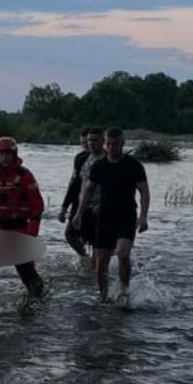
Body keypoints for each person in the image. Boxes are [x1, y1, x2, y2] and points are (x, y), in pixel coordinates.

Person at [73, 127, 150, 306]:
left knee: (123, 253)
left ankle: (124, 289)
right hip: (105, 218)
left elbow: (144, 192)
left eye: (115, 144)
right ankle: (103, 297)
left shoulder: (134, 165)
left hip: (126, 216)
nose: (112, 147)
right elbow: (88, 191)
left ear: (123, 144)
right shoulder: (99, 166)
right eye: (108, 144)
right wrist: (79, 213)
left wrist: (143, 216)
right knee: (101, 265)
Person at [0, 136, 45, 299]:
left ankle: (38, 300)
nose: (4, 157)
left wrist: (31, 235)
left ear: (14, 154)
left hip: (19, 229)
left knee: (28, 273)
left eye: (7, 154)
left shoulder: (25, 176)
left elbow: (37, 208)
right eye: (1, 154)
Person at [58, 128, 91, 257]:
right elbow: (74, 184)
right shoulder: (80, 158)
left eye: (87, 142)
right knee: (70, 234)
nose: (86, 146)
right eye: (83, 143)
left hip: (97, 205)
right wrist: (64, 207)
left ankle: (96, 262)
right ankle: (85, 258)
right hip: (78, 201)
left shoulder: (105, 157)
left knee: (91, 237)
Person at [75, 127, 106, 263]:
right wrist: (77, 210)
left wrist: (103, 204)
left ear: (102, 141)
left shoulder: (107, 160)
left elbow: (113, 187)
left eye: (95, 140)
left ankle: (96, 273)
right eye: (89, 141)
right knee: (76, 236)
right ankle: (87, 264)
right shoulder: (84, 158)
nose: (91, 143)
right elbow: (78, 184)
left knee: (96, 244)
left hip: (100, 209)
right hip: (84, 206)